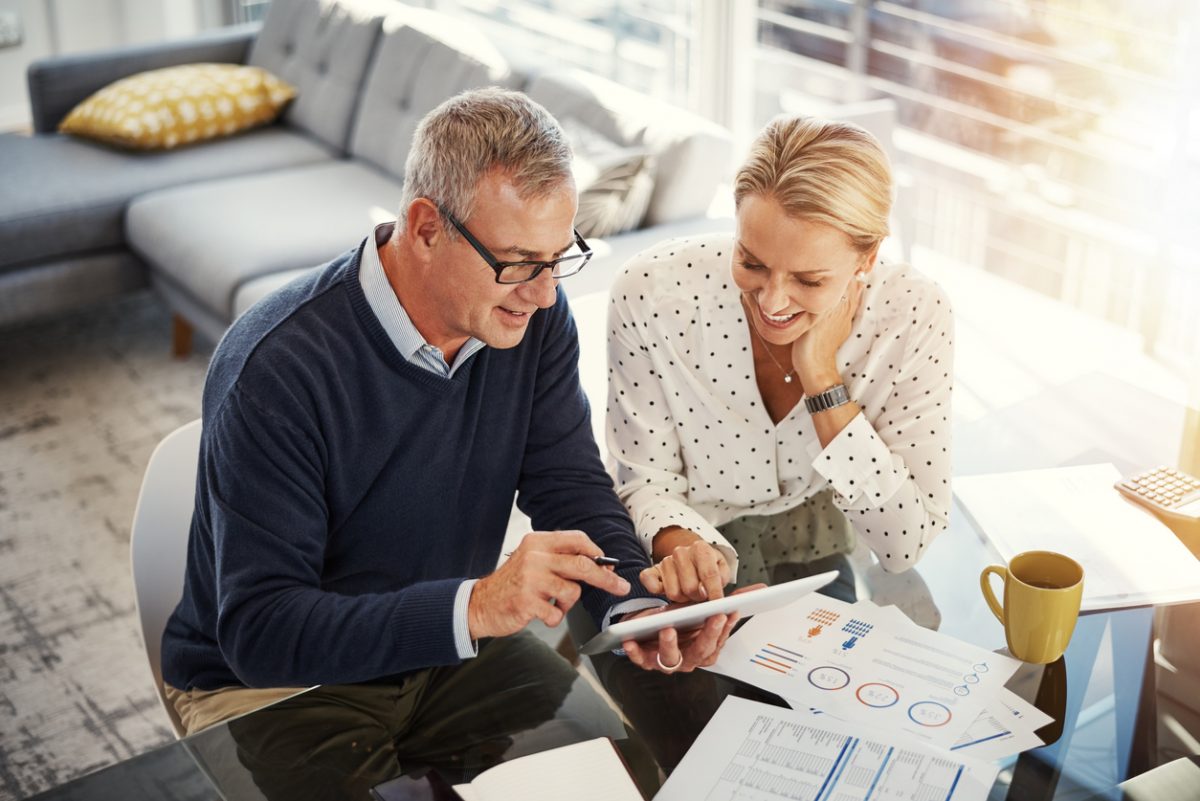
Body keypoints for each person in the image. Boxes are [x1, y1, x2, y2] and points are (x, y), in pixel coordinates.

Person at [159, 88, 738, 745]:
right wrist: (477, 605)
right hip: (277, 683)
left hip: (445, 645)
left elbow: (569, 485)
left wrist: (640, 604)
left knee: (617, 774)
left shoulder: (533, 320)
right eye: (519, 263)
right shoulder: (277, 368)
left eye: (558, 258)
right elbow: (261, 632)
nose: (545, 292)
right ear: (427, 228)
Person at [606, 114, 954, 604]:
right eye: (751, 262)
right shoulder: (651, 293)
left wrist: (822, 380)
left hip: (813, 539)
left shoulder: (912, 315)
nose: (771, 302)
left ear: (868, 257)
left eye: (809, 281)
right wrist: (685, 551)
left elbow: (904, 543)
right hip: (674, 540)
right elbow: (644, 480)